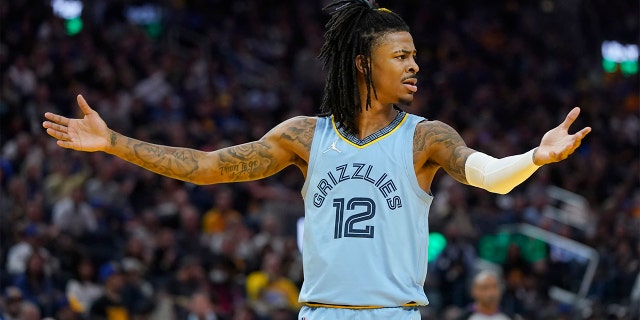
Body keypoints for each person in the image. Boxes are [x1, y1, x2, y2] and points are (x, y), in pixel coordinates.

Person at [42, 0, 591, 319]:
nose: (414, 66)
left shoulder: (426, 138)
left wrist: (534, 158)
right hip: (319, 312)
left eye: (416, 56)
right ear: (361, 63)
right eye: (400, 55)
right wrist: (114, 142)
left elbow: (489, 177)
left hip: (391, 315)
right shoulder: (304, 136)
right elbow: (208, 167)